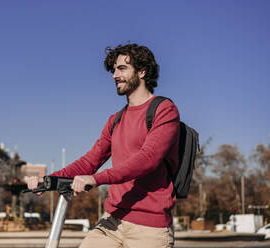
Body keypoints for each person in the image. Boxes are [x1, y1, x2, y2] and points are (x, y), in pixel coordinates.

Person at [26, 43, 179, 248]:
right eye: (114, 69)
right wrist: (50, 180)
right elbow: (90, 161)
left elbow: (147, 159)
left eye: (122, 68)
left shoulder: (164, 109)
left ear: (142, 71)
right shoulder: (115, 120)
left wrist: (97, 179)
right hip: (112, 222)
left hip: (148, 229)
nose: (115, 75)